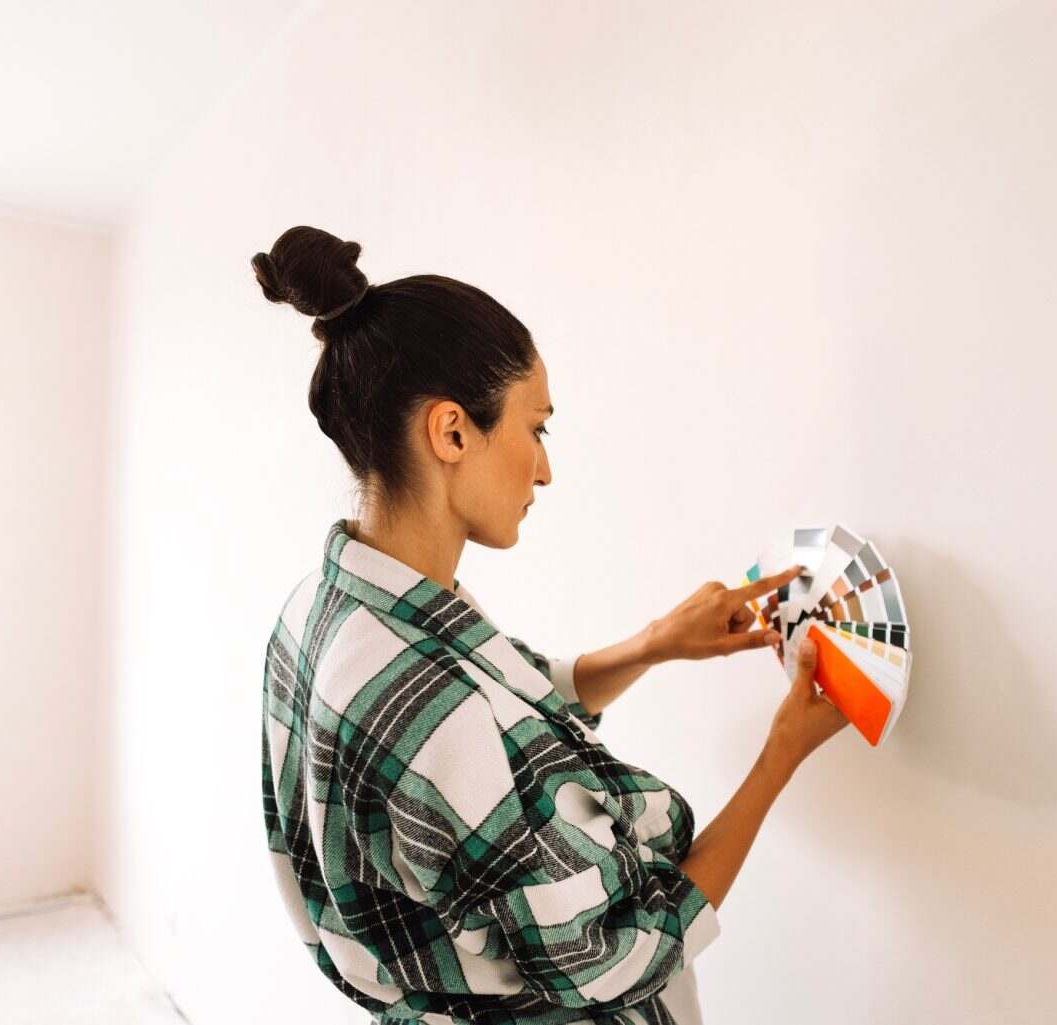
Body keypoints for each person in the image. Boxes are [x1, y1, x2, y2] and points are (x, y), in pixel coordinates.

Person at [254, 226, 850, 1025]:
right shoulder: (428, 711)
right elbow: (619, 952)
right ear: (453, 431)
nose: (544, 468)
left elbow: (511, 710)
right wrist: (782, 753)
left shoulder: (327, 610)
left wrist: (655, 642)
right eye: (537, 428)